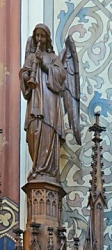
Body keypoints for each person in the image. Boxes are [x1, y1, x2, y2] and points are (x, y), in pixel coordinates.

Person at [20, 25, 78, 180]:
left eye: (42, 36)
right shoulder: (31, 57)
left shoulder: (53, 58)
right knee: (34, 131)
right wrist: (27, 76)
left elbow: (61, 76)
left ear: (47, 39)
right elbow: (23, 74)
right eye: (37, 36)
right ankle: (37, 167)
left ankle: (47, 171)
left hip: (50, 104)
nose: (39, 39)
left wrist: (44, 66)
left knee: (47, 132)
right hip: (35, 103)